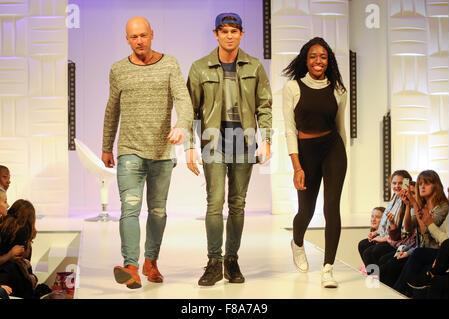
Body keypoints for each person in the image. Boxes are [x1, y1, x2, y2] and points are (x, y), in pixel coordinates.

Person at [102, 17, 193, 289]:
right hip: (129, 150)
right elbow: (112, 109)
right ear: (127, 39)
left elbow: (184, 100)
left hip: (162, 152)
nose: (139, 41)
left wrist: (181, 126)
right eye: (133, 37)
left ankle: (150, 261)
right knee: (129, 210)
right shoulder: (118, 69)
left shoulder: (169, 64)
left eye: (143, 35)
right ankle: (130, 266)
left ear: (152, 34)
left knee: (157, 211)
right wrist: (107, 145)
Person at [186, 13, 272, 286]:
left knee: (237, 204)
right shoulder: (200, 68)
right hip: (214, 142)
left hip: (244, 142)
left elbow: (264, 106)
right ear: (216, 34)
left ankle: (232, 261)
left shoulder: (255, 66)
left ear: (241, 34)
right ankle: (214, 262)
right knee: (214, 204)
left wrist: (267, 139)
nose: (229, 35)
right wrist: (190, 146)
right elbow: (190, 111)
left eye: (234, 31)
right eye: (224, 31)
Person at [282, 37, 347, 288]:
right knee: (306, 211)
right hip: (306, 152)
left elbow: (340, 128)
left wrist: (343, 158)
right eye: (313, 56)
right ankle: (297, 242)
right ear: (305, 60)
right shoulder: (293, 88)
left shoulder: (338, 89)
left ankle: (328, 268)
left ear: (328, 60)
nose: (318, 61)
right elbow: (290, 130)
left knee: (332, 207)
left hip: (333, 149)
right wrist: (296, 167)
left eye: (323, 56)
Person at [393, 173, 449, 296]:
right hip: (423, 249)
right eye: (420, 184)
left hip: (436, 251)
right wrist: (408, 206)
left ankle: (397, 292)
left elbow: (425, 230)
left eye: (427, 183)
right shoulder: (422, 205)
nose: (422, 187)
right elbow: (407, 228)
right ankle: (398, 291)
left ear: (436, 186)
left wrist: (413, 203)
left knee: (417, 254)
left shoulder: (443, 207)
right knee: (389, 262)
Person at [359, 170, 412, 268]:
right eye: (394, 183)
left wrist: (384, 238)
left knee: (371, 252)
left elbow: (402, 233)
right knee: (363, 244)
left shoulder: (407, 202)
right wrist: (376, 233)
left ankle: (377, 278)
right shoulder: (395, 198)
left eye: (400, 183)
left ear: (406, 184)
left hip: (398, 241)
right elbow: (386, 222)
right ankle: (374, 276)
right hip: (388, 235)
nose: (397, 186)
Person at [0, 200, 37, 299]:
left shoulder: (5, 226)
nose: (7, 205)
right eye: (4, 202)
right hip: (12, 281)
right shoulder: (22, 231)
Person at [357, 206, 384, 271]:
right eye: (372, 216)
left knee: (368, 252)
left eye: (377, 217)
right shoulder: (372, 235)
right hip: (373, 269)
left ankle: (374, 276)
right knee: (362, 244)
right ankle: (372, 274)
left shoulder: (386, 236)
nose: (373, 219)